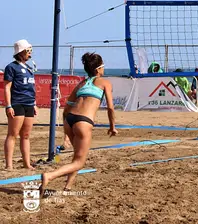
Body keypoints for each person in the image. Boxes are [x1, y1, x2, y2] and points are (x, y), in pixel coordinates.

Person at [40, 52, 118, 193]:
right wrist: (113, 127)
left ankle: (68, 186)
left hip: (69, 120)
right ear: (98, 69)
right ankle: (49, 176)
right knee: (80, 162)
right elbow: (111, 107)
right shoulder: (105, 82)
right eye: (103, 66)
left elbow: (66, 109)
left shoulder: (81, 84)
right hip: (83, 122)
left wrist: (66, 133)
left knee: (78, 155)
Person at [4, 39, 37, 170]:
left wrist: (34, 103)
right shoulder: (11, 67)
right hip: (17, 103)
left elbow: (31, 87)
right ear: (21, 52)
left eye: (30, 51)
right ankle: (9, 165)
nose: (30, 53)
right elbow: (7, 87)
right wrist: (8, 105)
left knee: (26, 135)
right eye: (28, 51)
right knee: (13, 134)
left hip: (29, 103)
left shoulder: (29, 68)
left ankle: (26, 163)